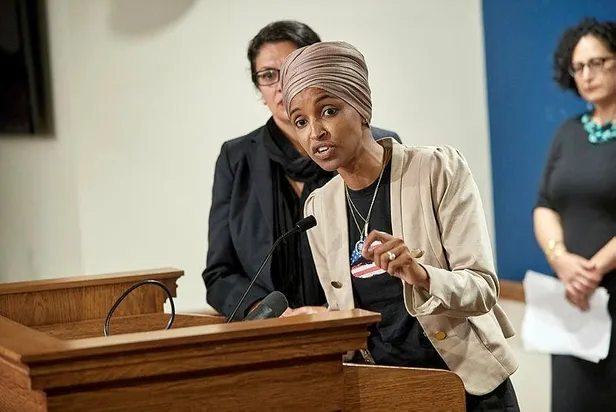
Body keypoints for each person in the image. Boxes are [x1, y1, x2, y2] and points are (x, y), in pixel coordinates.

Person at [278, 41, 520, 411]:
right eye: (301, 121)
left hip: (468, 390)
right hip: (390, 393)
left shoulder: (437, 170)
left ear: (362, 108)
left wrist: (422, 275)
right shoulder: (319, 207)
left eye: (328, 110)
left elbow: (483, 289)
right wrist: (321, 323)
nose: (315, 132)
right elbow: (349, 317)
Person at [202, 21, 400, 319]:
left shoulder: (376, 146)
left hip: (364, 325)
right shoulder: (236, 158)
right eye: (268, 75)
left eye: (292, 69)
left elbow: (399, 253)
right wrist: (267, 312)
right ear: (259, 88)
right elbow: (220, 274)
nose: (281, 85)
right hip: (275, 331)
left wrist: (335, 312)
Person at [533, 17, 616, 412]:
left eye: (597, 62)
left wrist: (592, 270)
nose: (587, 74)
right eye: (578, 66)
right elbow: (544, 204)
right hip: (573, 301)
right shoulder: (568, 132)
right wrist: (560, 259)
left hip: (604, 289)